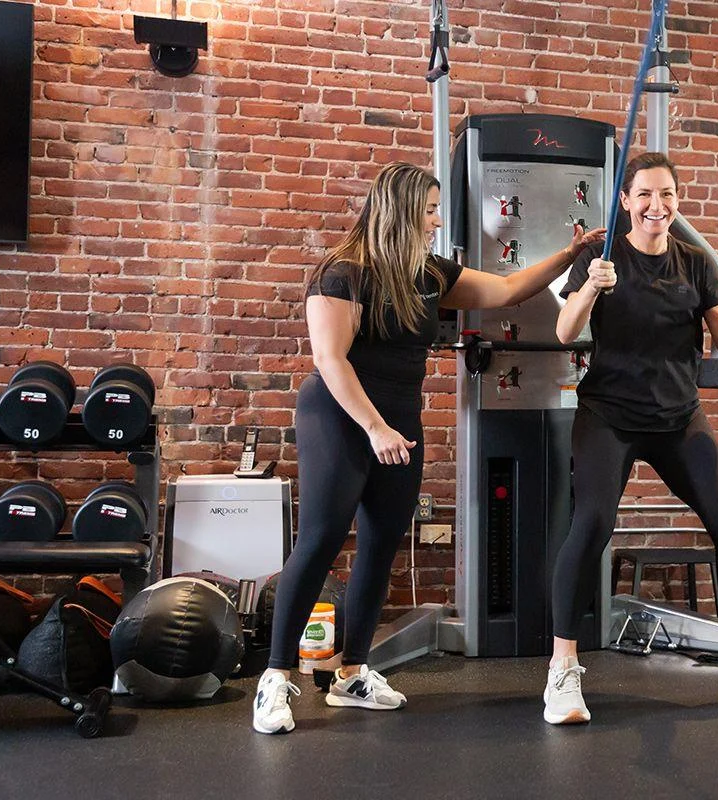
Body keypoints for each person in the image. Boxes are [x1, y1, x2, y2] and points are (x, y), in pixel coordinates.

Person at [253, 161, 605, 734]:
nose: (438, 219)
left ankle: (353, 673)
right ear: (400, 213)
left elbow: (508, 289)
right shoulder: (341, 274)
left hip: (398, 417)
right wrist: (374, 429)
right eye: (430, 210)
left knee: (382, 542)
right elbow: (330, 360)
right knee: (319, 539)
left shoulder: (427, 274)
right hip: (341, 415)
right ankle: (275, 677)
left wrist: (570, 256)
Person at [544, 152, 718, 725]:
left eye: (668, 195)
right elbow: (562, 332)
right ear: (625, 201)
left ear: (678, 202)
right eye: (646, 195)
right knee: (594, 523)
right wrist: (588, 291)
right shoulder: (600, 258)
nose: (658, 206)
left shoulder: (697, 263)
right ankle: (562, 670)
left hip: (679, 417)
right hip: (609, 415)